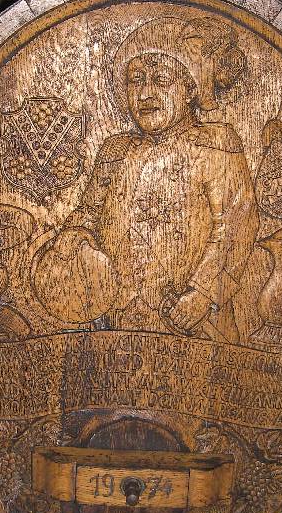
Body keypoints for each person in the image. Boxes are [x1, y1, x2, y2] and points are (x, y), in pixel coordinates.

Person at [44, 17, 259, 343]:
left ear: (190, 89)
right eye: (136, 81)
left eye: (161, 80)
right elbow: (89, 211)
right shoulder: (115, 149)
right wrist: (75, 234)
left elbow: (236, 223)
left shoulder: (215, 143)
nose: (145, 93)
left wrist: (203, 294)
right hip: (116, 314)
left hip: (190, 319)